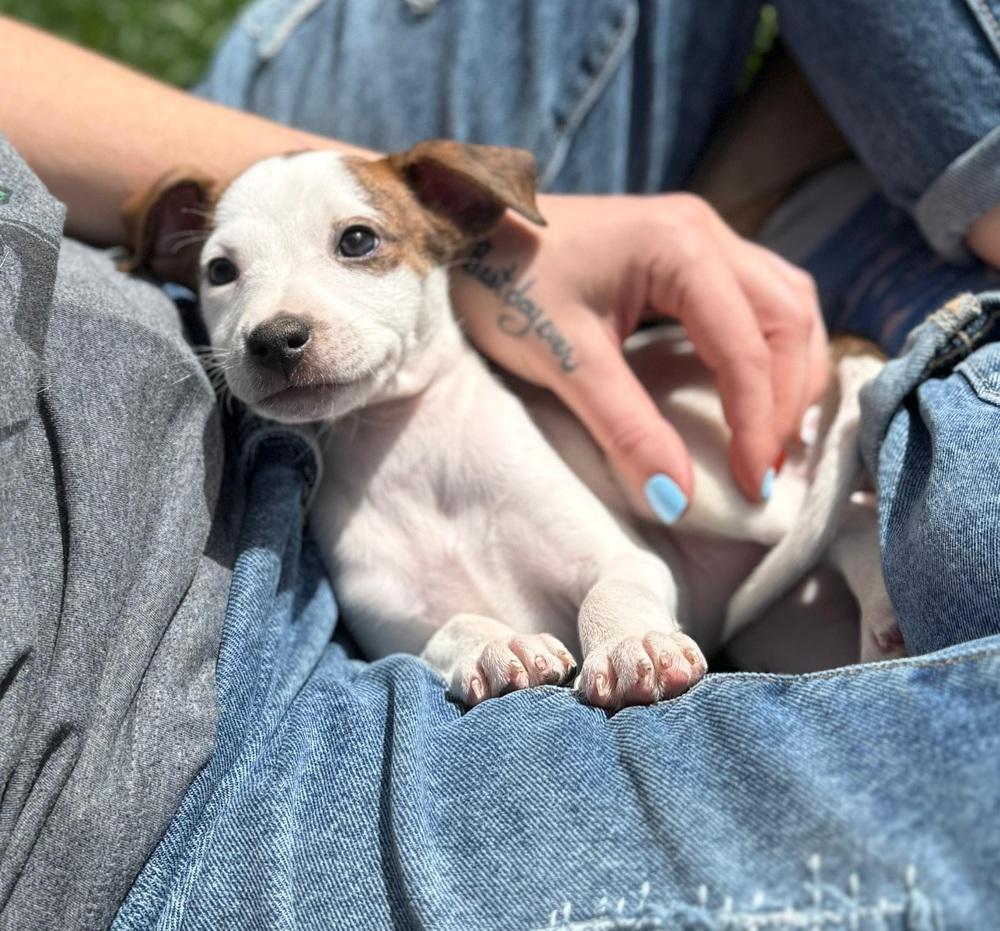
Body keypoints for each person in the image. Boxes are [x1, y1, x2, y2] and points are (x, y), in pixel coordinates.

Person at [1, 3, 999, 929]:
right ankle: (858, 256)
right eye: (224, 270)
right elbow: (421, 635)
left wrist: (621, 626)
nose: (274, 321)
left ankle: (834, 256)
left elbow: (620, 572)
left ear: (445, 227)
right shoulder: (335, 521)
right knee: (954, 555)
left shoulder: (462, 379)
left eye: (356, 245)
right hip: (225, 761)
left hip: (648, 428)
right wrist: (469, 642)